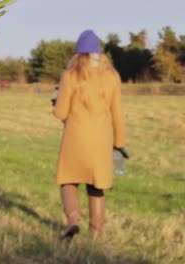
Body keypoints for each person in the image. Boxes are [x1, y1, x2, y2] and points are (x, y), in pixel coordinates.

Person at [53, 30, 129, 240]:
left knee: (68, 181)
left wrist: (55, 102)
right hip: (101, 140)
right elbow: (118, 114)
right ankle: (96, 233)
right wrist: (119, 143)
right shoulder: (112, 76)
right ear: (99, 53)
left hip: (75, 138)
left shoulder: (69, 76)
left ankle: (73, 221)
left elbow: (61, 112)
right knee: (96, 186)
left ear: (78, 53)